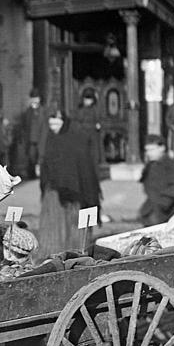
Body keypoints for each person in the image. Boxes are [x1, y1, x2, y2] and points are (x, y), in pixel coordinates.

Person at [37, 110, 101, 258]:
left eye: (57, 123)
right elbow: (46, 163)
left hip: (75, 193)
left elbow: (85, 169)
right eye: (51, 124)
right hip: (54, 193)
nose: (53, 127)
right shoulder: (50, 138)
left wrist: (87, 194)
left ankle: (76, 255)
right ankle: (54, 257)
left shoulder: (76, 139)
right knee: (55, 230)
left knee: (74, 229)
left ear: (64, 123)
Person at [138, 134, 174, 226]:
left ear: (162, 148)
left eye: (152, 150)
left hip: (168, 212)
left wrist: (162, 204)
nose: (148, 153)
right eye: (147, 150)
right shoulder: (151, 165)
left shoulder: (170, 165)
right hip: (154, 209)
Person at [13, 88, 48, 180]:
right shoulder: (27, 112)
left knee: (41, 158)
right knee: (31, 158)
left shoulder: (44, 112)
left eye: (36, 98)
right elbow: (24, 127)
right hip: (31, 141)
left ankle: (42, 174)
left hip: (41, 139)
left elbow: (45, 127)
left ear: (39, 99)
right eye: (32, 98)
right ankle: (32, 175)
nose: (34, 101)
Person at [71, 87, 104, 165]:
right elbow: (76, 121)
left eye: (89, 100)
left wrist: (99, 125)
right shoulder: (80, 110)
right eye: (86, 99)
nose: (87, 102)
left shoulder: (95, 109)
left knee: (94, 152)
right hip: (83, 133)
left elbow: (99, 120)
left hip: (93, 133)